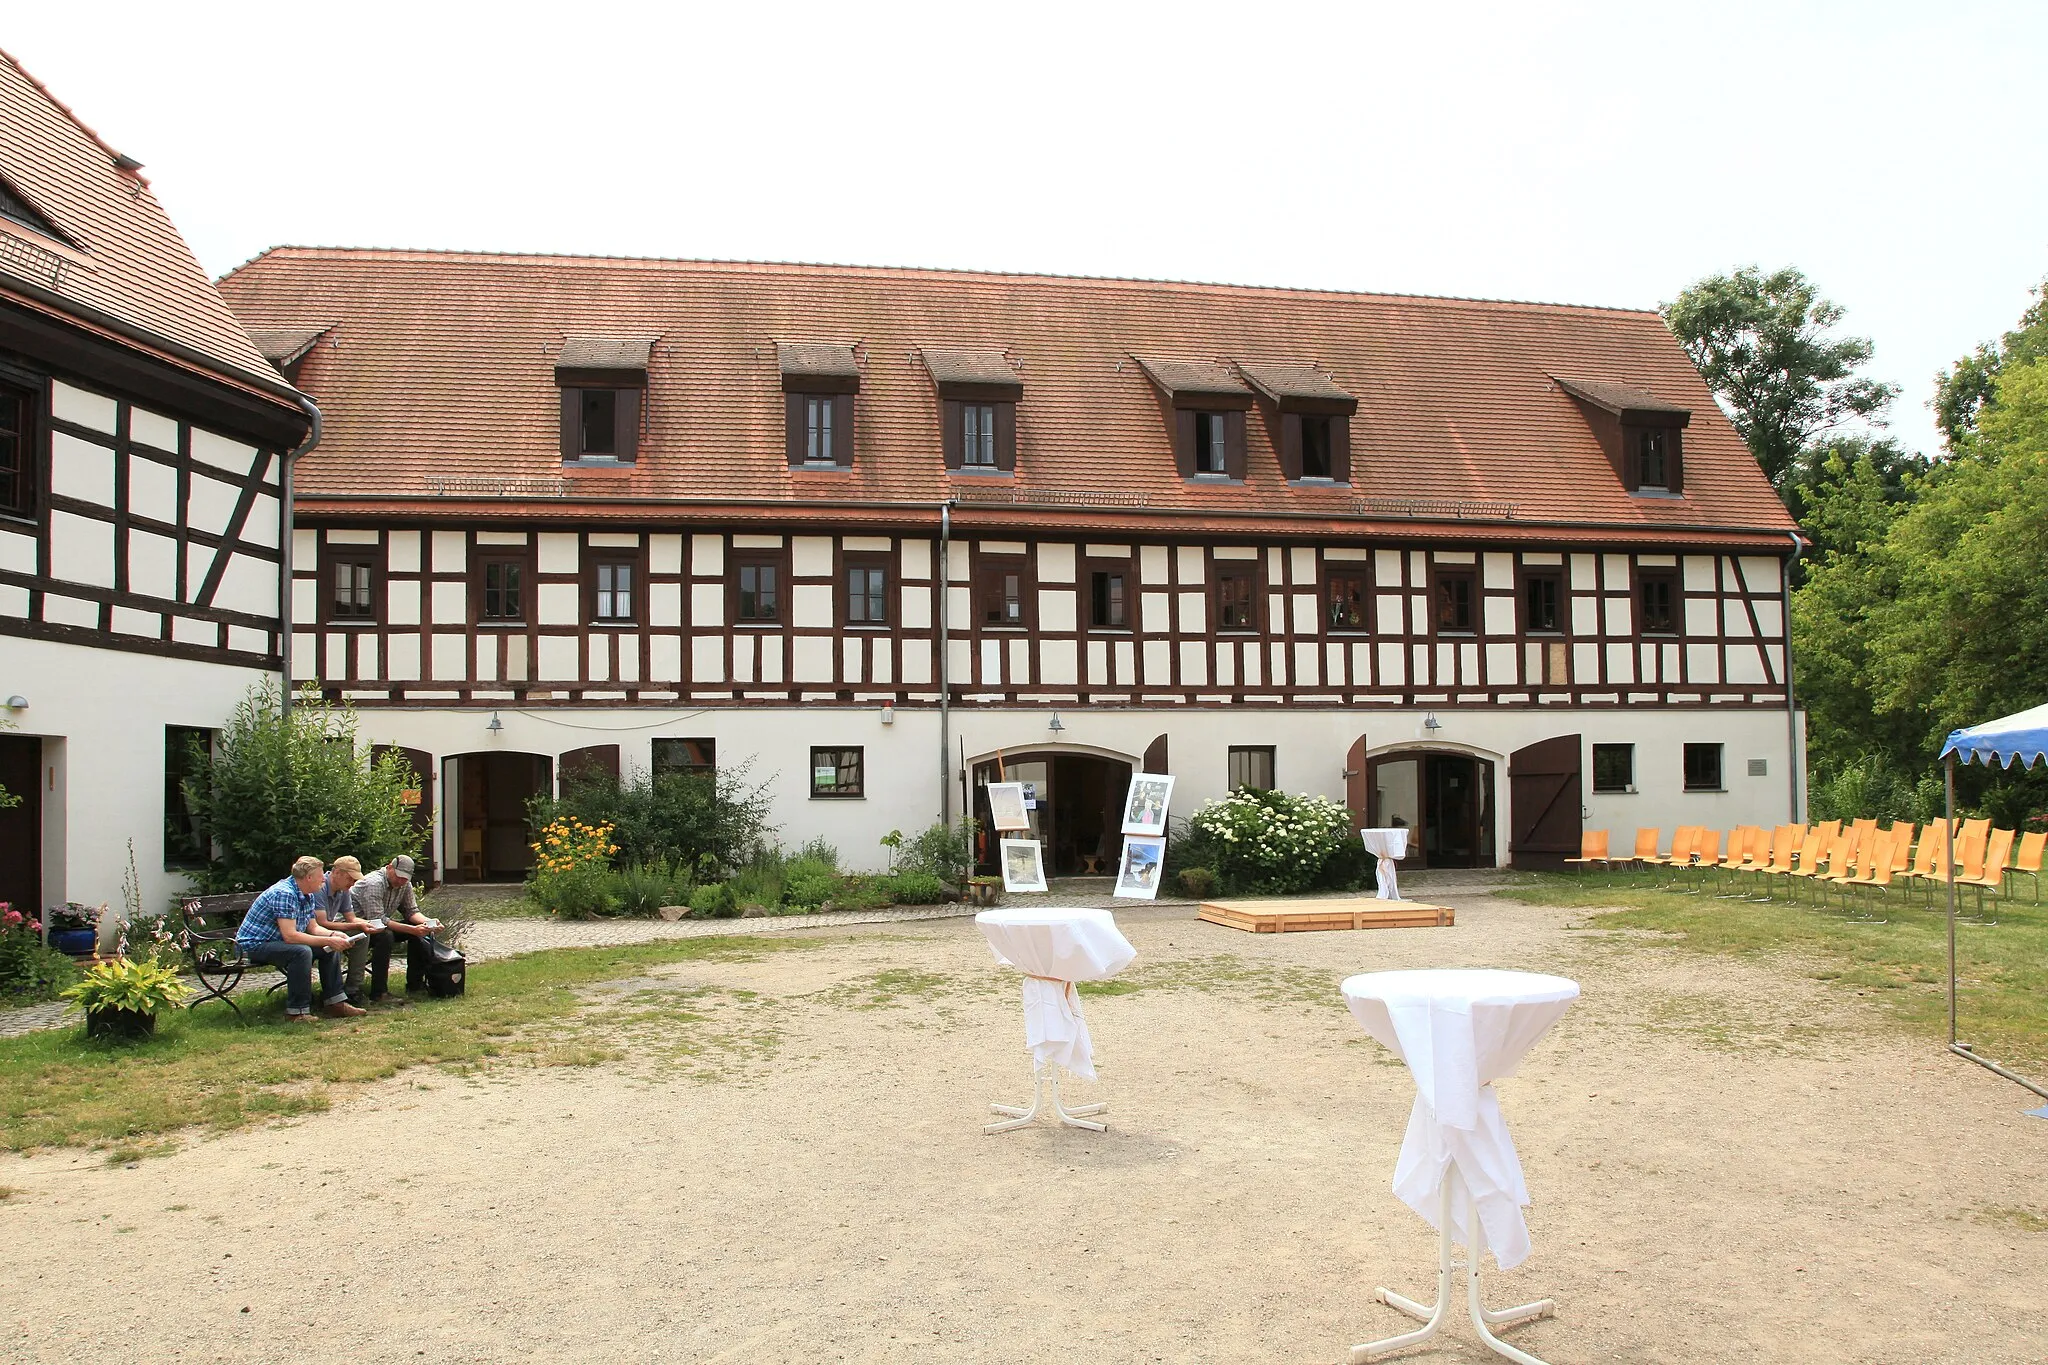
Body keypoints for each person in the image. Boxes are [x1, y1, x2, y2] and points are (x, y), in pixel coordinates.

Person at [235, 856, 366, 1023]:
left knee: (329, 949)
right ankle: (296, 1012)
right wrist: (329, 940)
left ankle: (335, 1002)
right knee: (301, 952)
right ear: (309, 877)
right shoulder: (285, 893)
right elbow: (290, 936)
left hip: (276, 942)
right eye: (320, 876)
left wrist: (334, 936)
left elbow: (313, 928)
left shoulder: (308, 893)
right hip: (253, 945)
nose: (323, 880)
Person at [311, 856, 399, 1008]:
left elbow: (351, 918)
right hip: (317, 932)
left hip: (332, 929)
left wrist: (368, 924)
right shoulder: (320, 888)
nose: (352, 883)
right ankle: (333, 992)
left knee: (364, 936)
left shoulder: (343, 890)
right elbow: (322, 923)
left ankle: (353, 988)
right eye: (349, 879)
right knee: (340, 941)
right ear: (337, 872)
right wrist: (358, 926)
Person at [349, 854, 439, 993]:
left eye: (405, 878)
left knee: (417, 930)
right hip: (358, 927)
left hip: (378, 926)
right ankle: (379, 992)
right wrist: (412, 930)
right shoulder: (374, 883)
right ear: (390, 867)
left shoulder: (405, 884)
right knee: (386, 936)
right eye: (399, 876)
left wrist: (428, 922)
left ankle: (415, 984)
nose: (401, 881)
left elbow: (411, 911)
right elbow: (378, 920)